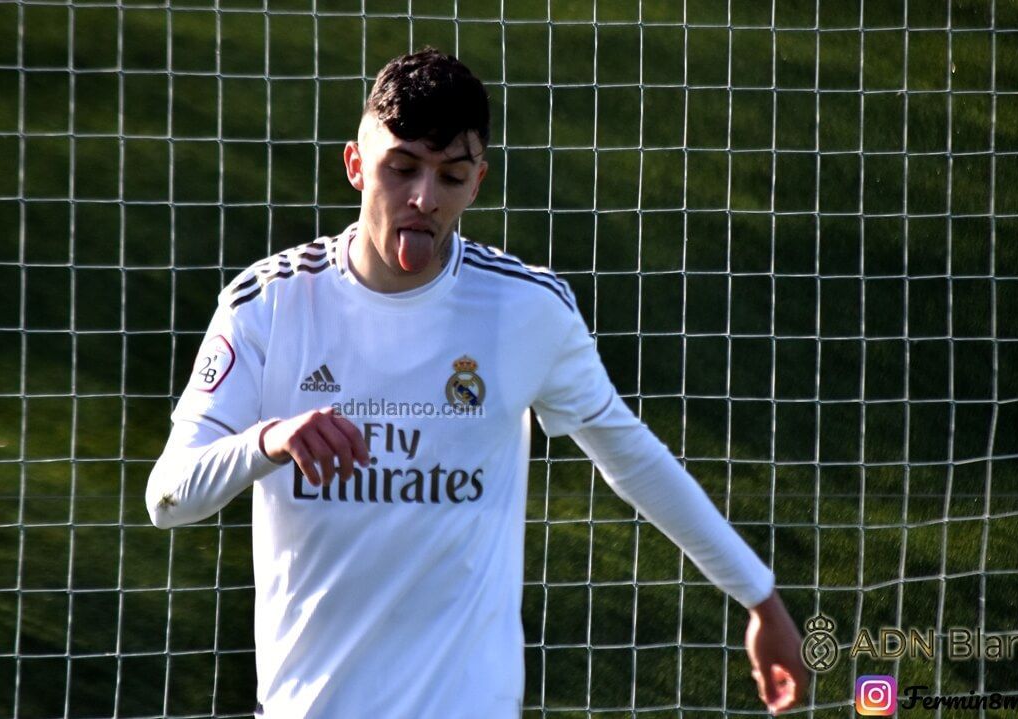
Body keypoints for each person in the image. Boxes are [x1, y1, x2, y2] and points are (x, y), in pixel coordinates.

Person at [146, 48, 806, 718]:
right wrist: (267, 440)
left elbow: (633, 458)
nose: (424, 199)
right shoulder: (269, 304)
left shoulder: (525, 309)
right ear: (356, 164)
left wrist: (760, 596)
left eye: (451, 176)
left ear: (478, 182)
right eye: (401, 168)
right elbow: (168, 497)